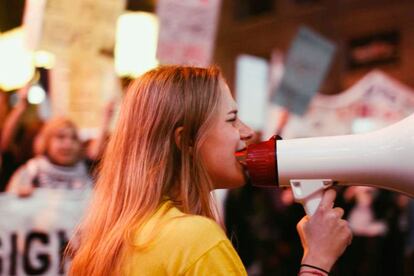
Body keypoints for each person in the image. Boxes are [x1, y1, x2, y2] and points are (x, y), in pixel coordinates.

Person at [69, 66, 352, 275]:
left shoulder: (107, 241)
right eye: (231, 119)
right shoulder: (195, 240)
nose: (248, 131)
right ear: (186, 140)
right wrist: (317, 261)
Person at [6, 117, 92, 196]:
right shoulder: (31, 171)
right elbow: (10, 203)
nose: (68, 144)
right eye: (60, 137)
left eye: (74, 138)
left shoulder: (88, 172)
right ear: (46, 142)